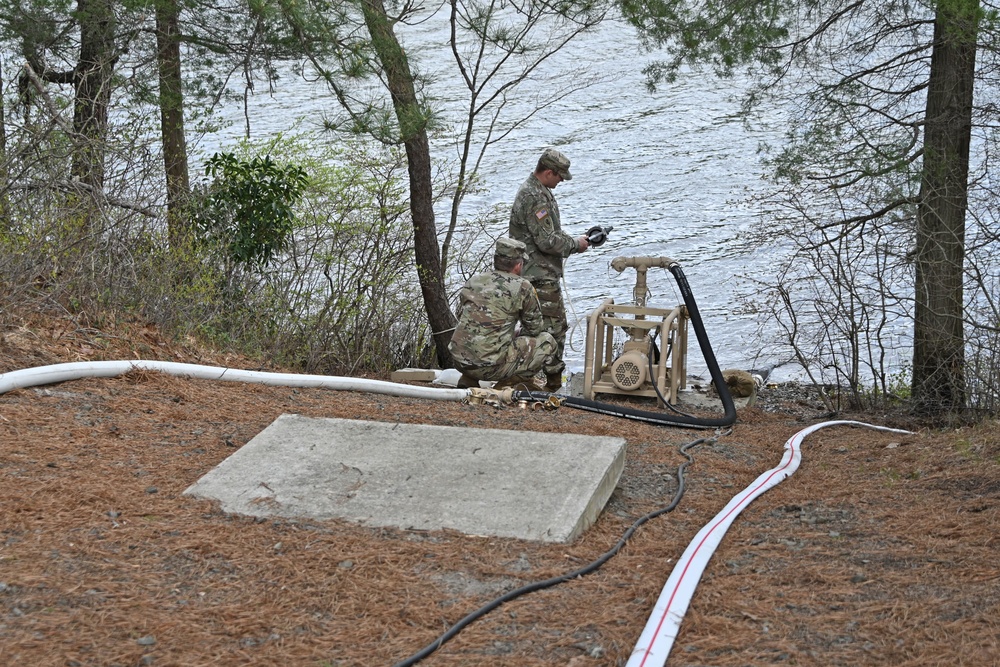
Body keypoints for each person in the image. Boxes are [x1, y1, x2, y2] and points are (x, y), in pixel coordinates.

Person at [508, 148, 589, 392]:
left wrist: (576, 239)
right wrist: (576, 244)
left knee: (535, 326)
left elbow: (547, 234)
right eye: (560, 177)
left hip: (534, 273)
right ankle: (551, 383)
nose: (561, 181)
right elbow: (546, 241)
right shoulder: (536, 197)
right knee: (554, 328)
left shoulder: (537, 190)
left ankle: (526, 375)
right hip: (539, 275)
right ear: (549, 172)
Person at [448, 237, 558, 390]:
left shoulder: (475, 281)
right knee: (547, 341)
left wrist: (508, 332)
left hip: (459, 360)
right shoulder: (523, 287)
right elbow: (535, 329)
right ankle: (506, 384)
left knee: (478, 340)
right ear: (518, 265)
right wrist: (517, 333)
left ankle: (469, 379)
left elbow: (474, 319)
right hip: (490, 366)